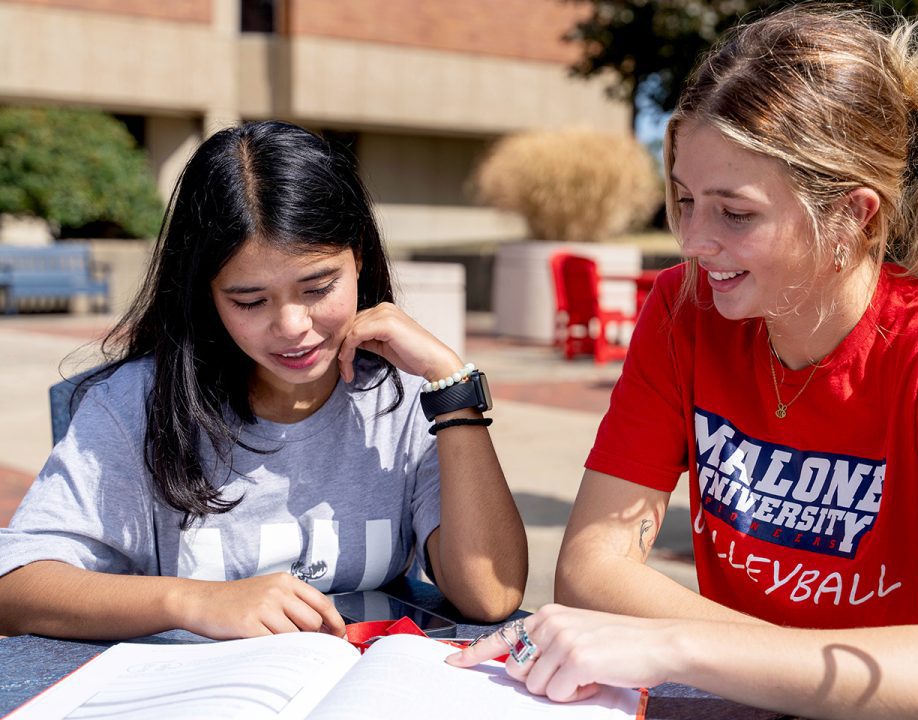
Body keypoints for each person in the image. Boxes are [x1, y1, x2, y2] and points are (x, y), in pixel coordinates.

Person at [449, 5, 918, 718]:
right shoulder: (684, 311)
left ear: (852, 215)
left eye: (736, 214)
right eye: (685, 200)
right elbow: (589, 567)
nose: (694, 242)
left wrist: (679, 646)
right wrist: (789, 674)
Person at [0, 121, 527, 640]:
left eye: (319, 288)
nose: (292, 327)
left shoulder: (409, 398)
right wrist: (192, 600)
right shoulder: (133, 406)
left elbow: (491, 594)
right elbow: (15, 586)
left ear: (359, 259)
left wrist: (450, 384)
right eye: (250, 301)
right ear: (206, 294)